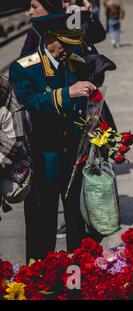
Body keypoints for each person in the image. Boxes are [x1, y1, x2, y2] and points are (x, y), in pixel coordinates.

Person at [9, 13, 96, 262]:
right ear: (49, 39)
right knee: (41, 228)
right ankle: (40, 283)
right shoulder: (24, 67)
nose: (70, 50)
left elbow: (84, 106)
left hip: (73, 160)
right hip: (43, 160)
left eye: (74, 44)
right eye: (65, 44)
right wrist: (66, 93)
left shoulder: (77, 63)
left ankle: (77, 283)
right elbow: (28, 102)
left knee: (78, 229)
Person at [22, 0, 107, 57]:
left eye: (66, 1)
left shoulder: (78, 20)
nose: (62, 5)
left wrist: (89, 15)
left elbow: (99, 37)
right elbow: (25, 58)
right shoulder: (35, 30)